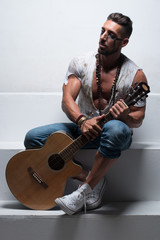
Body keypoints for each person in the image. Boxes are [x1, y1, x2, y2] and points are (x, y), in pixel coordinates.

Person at [24, 13, 147, 215]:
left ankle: (85, 190)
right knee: (34, 138)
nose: (102, 37)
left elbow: (138, 118)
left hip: (113, 132)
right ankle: (90, 177)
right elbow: (67, 100)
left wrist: (124, 115)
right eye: (102, 31)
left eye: (111, 35)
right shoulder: (81, 62)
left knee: (116, 129)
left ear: (124, 42)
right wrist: (82, 121)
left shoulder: (136, 74)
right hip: (83, 129)